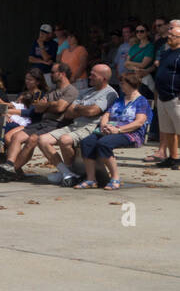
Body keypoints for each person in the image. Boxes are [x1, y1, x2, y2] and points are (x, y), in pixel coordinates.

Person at [31, 63, 118, 186]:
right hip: (74, 125)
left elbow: (93, 111)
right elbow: (68, 113)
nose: (89, 77)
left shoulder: (110, 93)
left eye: (93, 75)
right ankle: (67, 173)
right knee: (42, 140)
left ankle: (68, 173)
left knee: (65, 140)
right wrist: (82, 109)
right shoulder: (86, 91)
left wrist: (78, 108)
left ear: (103, 78)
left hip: (91, 127)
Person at [77, 72, 151, 190]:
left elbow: (139, 122)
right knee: (87, 141)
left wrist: (119, 130)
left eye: (122, 83)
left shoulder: (141, 101)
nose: (120, 86)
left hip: (130, 133)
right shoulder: (119, 100)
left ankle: (115, 178)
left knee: (104, 143)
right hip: (110, 130)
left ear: (131, 84)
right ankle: (91, 179)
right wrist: (104, 125)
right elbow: (107, 114)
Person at [149, 21, 180, 167]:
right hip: (162, 96)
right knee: (168, 130)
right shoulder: (167, 52)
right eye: (169, 35)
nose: (169, 38)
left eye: (173, 36)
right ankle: (173, 158)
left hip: (176, 97)